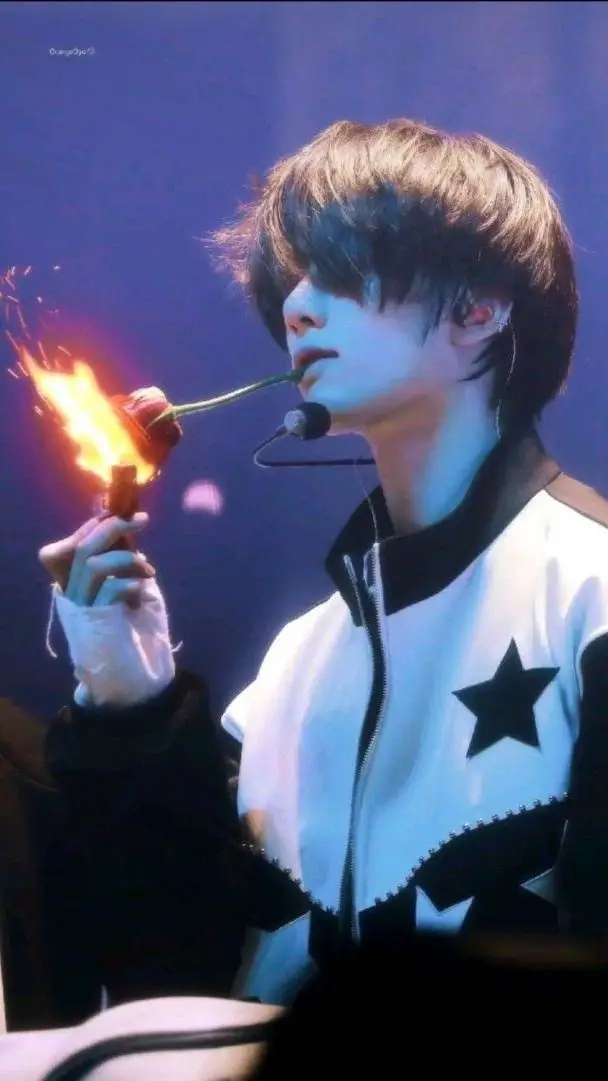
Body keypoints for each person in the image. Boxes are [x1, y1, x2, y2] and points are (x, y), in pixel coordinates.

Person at [38, 117, 608, 1011]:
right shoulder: (291, 667)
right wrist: (129, 703)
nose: (297, 306)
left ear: (480, 308)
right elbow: (172, 977)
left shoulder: (592, 593)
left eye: (341, 269)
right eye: (294, 278)